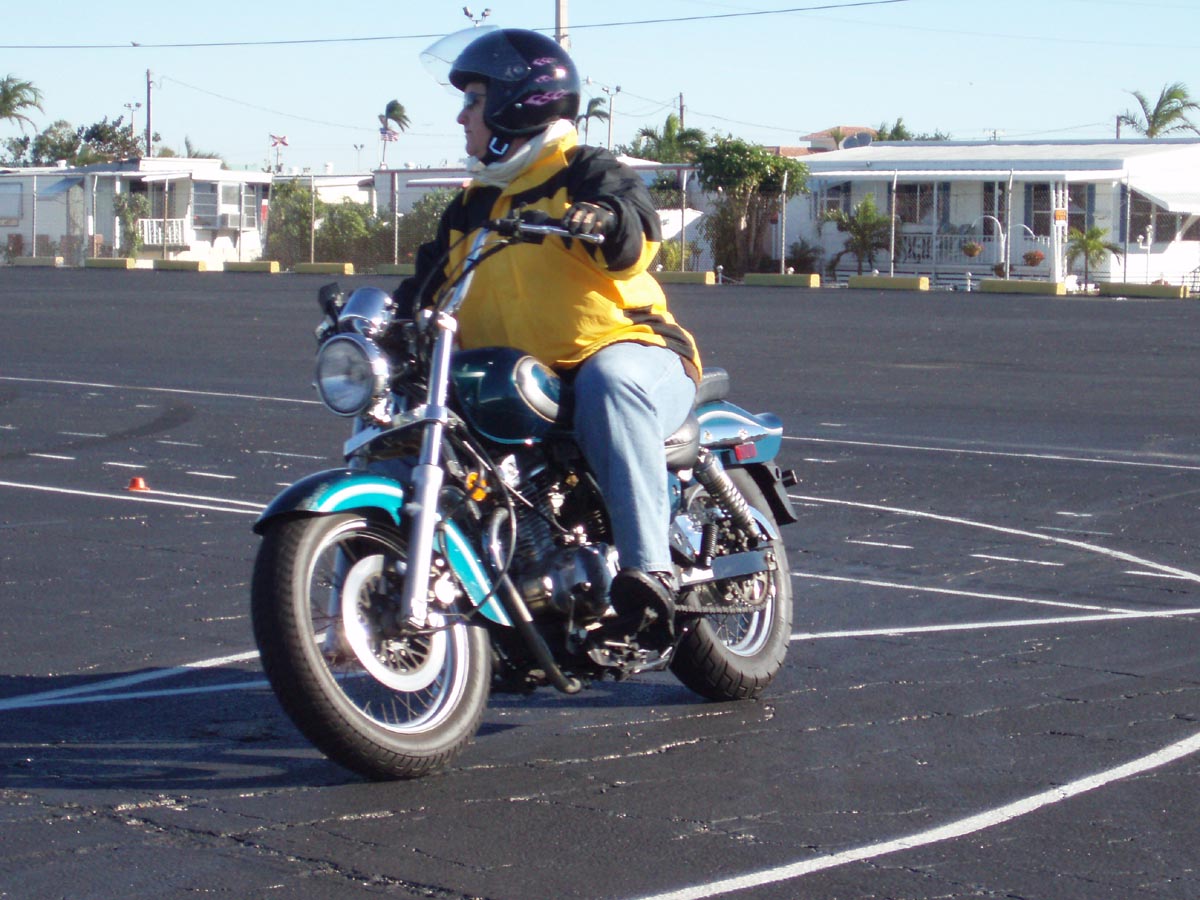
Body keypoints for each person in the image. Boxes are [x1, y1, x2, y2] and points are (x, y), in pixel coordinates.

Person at [396, 28, 702, 647]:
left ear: (518, 104)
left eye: (474, 100)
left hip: (631, 352)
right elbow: (426, 286)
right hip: (521, 379)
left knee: (609, 382)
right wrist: (378, 323)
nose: (461, 116)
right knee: (424, 411)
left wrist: (606, 218)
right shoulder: (472, 206)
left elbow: (637, 228)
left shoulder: (585, 170)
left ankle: (651, 572)